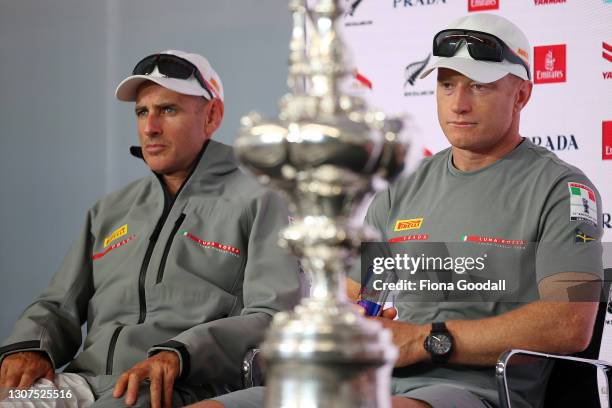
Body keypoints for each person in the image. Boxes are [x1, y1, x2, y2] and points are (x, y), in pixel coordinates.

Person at [190, 13, 604, 408]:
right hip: (371, 382)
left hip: (475, 393)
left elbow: (570, 323)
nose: (458, 103)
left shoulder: (562, 189)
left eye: (478, 86)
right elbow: (358, 296)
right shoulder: (402, 186)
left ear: (522, 94)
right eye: (446, 84)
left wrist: (424, 339)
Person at [0, 50, 302, 408]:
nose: (150, 127)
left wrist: (180, 354)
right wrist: (30, 347)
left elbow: (274, 317)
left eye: (168, 110)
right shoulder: (110, 210)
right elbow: (57, 304)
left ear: (212, 116)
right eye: (142, 112)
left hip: (179, 385)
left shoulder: (262, 199)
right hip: (82, 384)